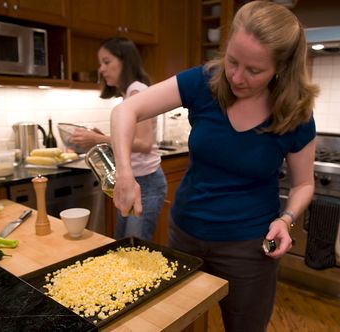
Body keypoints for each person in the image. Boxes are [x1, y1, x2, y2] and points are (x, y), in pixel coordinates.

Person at [110, 1, 318, 331]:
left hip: (249, 247)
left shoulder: (295, 113)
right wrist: (124, 171)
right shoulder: (204, 82)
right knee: (183, 322)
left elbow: (303, 184)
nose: (236, 76)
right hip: (186, 235)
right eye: (233, 61)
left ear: (281, 68)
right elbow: (125, 111)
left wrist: (287, 218)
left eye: (254, 70)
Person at [71, 37, 167, 241]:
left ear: (125, 61)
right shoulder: (129, 94)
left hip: (146, 182)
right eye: (100, 63)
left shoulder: (137, 91)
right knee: (124, 244)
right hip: (132, 180)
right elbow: (131, 139)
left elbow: (144, 143)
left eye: (107, 62)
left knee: (133, 249)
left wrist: (97, 139)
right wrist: (102, 136)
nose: (101, 69)